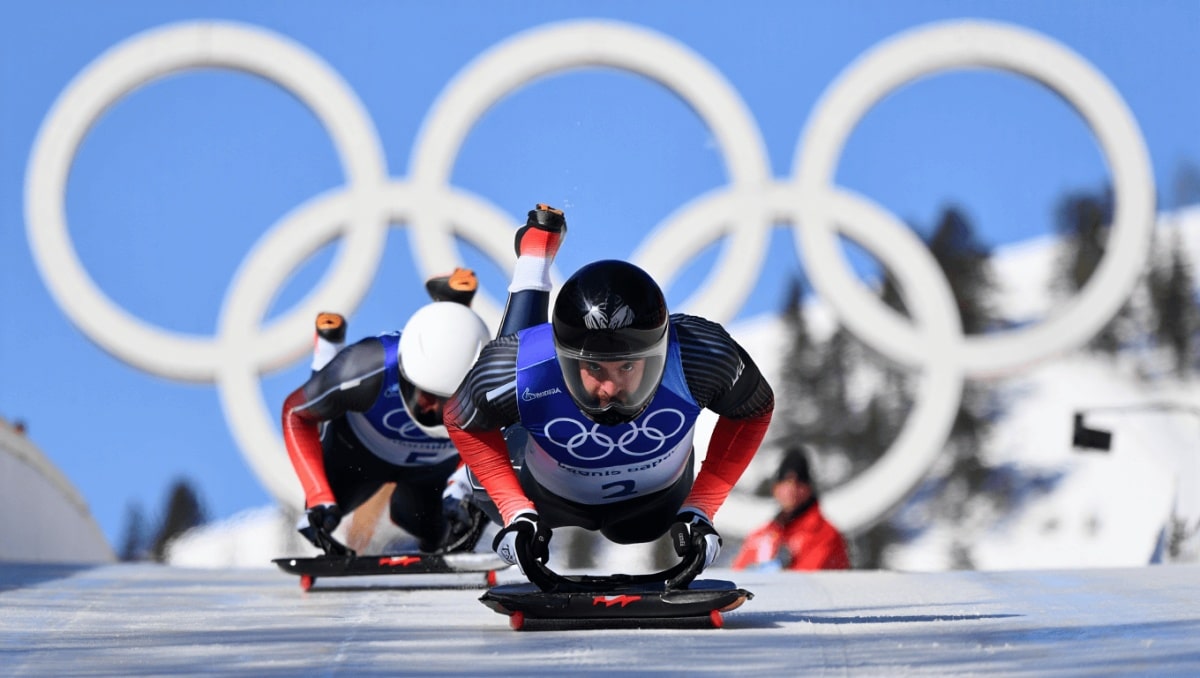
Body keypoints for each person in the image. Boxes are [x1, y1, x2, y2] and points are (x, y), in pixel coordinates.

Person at [444, 255, 775, 578]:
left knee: (634, 531)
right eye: (593, 367)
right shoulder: (517, 365)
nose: (609, 388)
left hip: (654, 505)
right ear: (563, 357)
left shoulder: (702, 354)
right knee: (505, 408)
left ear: (661, 350)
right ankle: (533, 261)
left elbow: (754, 410)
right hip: (542, 496)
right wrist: (514, 509)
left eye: (627, 366)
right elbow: (461, 418)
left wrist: (702, 507)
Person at [282, 205, 565, 556]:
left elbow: (497, 428)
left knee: (427, 525)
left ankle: (465, 298)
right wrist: (318, 494)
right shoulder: (366, 366)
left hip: (432, 469)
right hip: (355, 454)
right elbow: (297, 413)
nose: (431, 406)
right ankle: (327, 351)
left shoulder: (476, 383)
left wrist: (461, 486)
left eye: (444, 397)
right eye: (425, 394)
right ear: (403, 372)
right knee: (328, 507)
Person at [731, 446, 849, 571]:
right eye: (785, 480)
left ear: (809, 488)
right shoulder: (761, 535)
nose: (792, 488)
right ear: (775, 488)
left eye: (799, 481)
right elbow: (740, 575)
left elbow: (806, 583)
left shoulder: (825, 534)